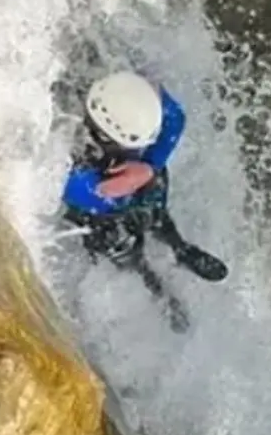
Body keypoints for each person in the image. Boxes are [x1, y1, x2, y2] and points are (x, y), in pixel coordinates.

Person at [57, 69, 227, 283]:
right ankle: (150, 280)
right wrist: (138, 180)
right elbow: (96, 192)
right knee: (121, 239)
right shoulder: (66, 159)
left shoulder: (127, 89)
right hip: (95, 209)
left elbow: (175, 117)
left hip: (126, 180)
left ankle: (179, 247)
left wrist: (149, 167)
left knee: (153, 191)